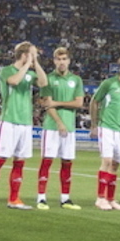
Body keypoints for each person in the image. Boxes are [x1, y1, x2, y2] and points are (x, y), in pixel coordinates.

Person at [0, 41, 48, 209]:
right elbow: (14, 81)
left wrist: (36, 64)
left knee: (20, 161)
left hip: (26, 122)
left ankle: (14, 198)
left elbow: (43, 83)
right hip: (9, 121)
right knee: (1, 158)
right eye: (34, 54)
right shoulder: (6, 71)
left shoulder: (31, 74)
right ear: (25, 54)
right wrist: (27, 64)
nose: (36, 57)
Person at [89, 54, 120, 211]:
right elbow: (94, 101)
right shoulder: (109, 83)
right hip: (107, 127)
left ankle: (111, 199)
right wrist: (94, 124)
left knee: (116, 164)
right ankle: (100, 198)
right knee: (107, 161)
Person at [37, 46, 85, 208]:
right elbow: (46, 104)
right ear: (54, 61)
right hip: (52, 127)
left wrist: (57, 103)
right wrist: (59, 122)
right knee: (47, 161)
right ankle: (41, 198)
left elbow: (79, 103)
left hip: (69, 128)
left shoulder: (76, 80)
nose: (62, 62)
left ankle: (65, 198)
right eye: (58, 59)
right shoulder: (47, 79)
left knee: (67, 163)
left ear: (69, 61)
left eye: (64, 59)